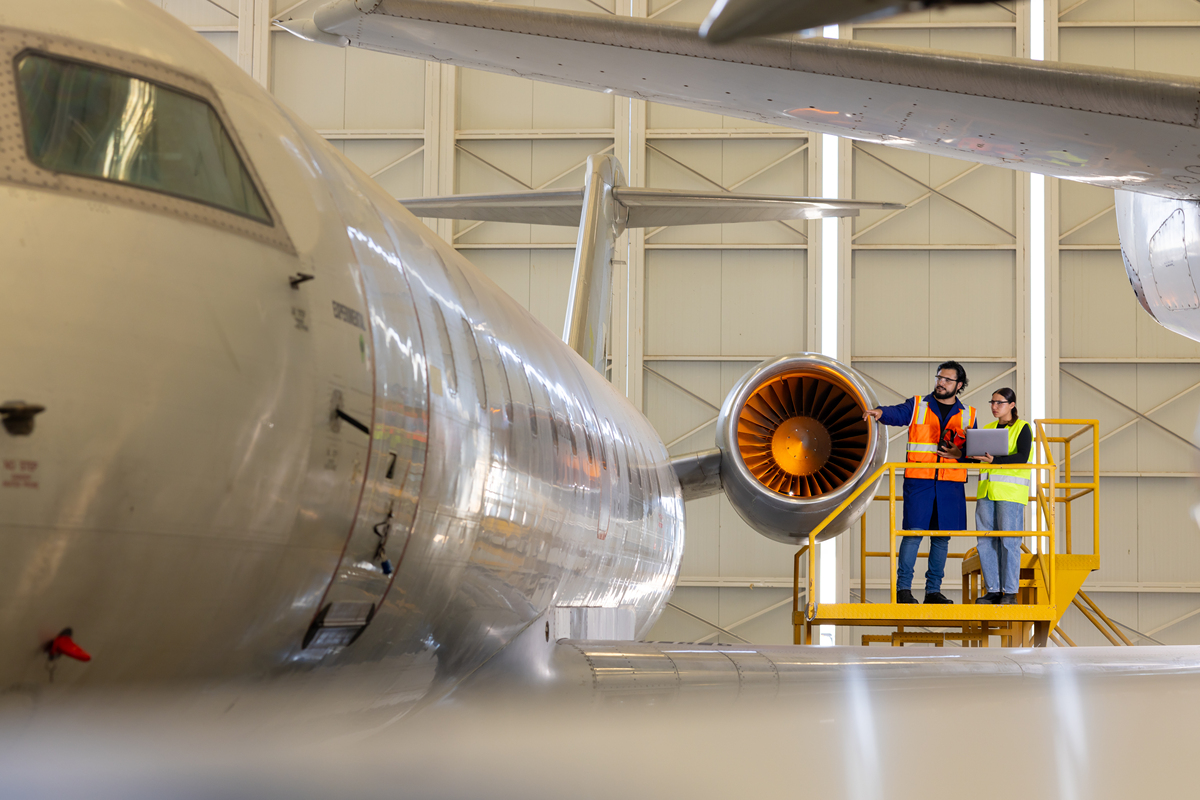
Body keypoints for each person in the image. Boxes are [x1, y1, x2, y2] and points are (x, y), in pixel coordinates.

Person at [863, 361, 977, 604]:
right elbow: (897, 413)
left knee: (941, 539)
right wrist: (880, 412)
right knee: (913, 534)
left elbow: (974, 453)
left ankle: (933, 591)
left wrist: (959, 454)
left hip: (950, 486)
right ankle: (903, 590)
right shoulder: (918, 405)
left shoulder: (969, 414)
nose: (941, 382)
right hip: (920, 482)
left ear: (959, 385)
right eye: (939, 377)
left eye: (947, 380)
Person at [968, 388, 1031, 605]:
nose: (994, 407)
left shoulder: (1022, 427)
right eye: (992, 402)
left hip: (1010, 493)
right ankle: (993, 590)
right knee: (985, 541)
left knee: (1009, 541)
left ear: (1012, 405)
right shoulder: (987, 429)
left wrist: (994, 460)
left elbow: (1022, 457)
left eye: (999, 403)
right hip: (986, 492)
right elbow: (978, 458)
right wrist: (963, 452)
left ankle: (1010, 592)